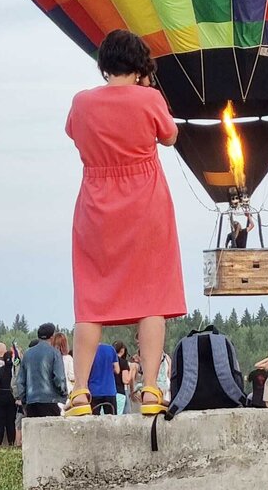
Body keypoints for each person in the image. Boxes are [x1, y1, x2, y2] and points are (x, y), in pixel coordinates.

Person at [64, 30, 186, 418]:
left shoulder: (81, 102)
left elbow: (74, 134)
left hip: (96, 203)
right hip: (145, 202)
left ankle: (79, 393)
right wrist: (146, 89)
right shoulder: (149, 98)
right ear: (139, 66)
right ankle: (151, 389)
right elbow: (170, 135)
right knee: (152, 297)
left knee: (91, 299)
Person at [15, 324, 67, 418]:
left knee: (33, 432)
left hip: (31, 402)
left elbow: (20, 381)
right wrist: (63, 394)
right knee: (51, 431)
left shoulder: (27, 354)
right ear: (52, 336)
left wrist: (24, 400)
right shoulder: (54, 353)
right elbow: (59, 378)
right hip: (50, 401)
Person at [88, 343, 120, 416]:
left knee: (94, 420)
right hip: (109, 390)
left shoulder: (89, 350)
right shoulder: (111, 349)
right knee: (112, 420)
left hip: (94, 390)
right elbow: (117, 370)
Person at [53, 334, 74, 398]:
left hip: (53, 391)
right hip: (66, 390)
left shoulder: (50, 358)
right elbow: (72, 376)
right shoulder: (68, 358)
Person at [113, 342, 132, 414]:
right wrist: (132, 370)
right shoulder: (123, 362)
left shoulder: (109, 361)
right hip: (119, 393)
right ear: (123, 351)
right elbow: (125, 380)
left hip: (108, 392)